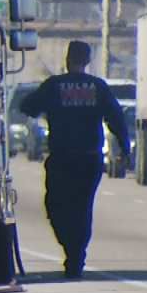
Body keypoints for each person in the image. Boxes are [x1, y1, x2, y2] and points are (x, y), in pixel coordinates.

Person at [19, 41, 129, 279]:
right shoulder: (97, 87)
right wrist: (125, 148)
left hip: (62, 159)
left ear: (67, 60)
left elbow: (27, 107)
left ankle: (72, 250)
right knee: (82, 207)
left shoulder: (54, 86)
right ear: (87, 61)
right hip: (89, 160)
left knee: (56, 206)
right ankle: (76, 254)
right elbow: (116, 118)